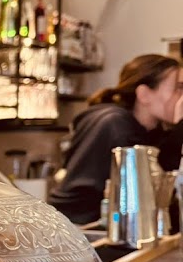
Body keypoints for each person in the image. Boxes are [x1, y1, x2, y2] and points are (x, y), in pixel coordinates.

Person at [48, 54, 183, 225]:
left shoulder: (148, 131)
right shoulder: (115, 123)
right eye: (178, 88)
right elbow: (147, 191)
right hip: (75, 227)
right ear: (144, 94)